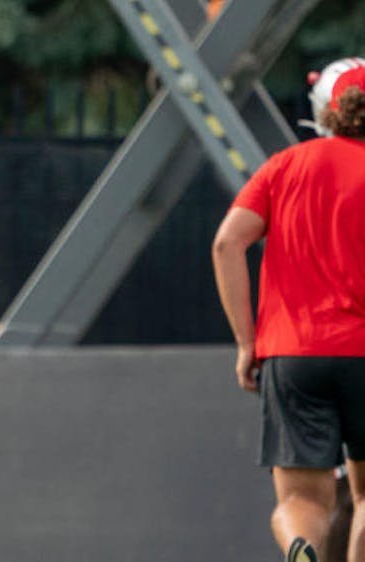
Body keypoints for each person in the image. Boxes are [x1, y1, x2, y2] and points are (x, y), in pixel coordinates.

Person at [212, 65, 365, 562]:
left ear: (325, 112)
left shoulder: (285, 165)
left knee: (302, 501)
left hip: (294, 351)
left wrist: (246, 343)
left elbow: (227, 244)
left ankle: (302, 547)